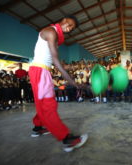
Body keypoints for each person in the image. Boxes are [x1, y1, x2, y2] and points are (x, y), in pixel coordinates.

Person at [29, 15, 88, 152]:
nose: (70, 29)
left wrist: (73, 68)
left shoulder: (54, 34)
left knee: (42, 102)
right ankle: (68, 140)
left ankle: (38, 128)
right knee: (48, 105)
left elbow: (57, 62)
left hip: (41, 71)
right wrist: (72, 82)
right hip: (40, 71)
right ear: (65, 20)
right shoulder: (51, 32)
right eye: (71, 25)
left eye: (72, 28)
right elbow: (55, 60)